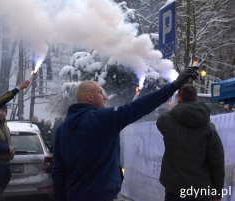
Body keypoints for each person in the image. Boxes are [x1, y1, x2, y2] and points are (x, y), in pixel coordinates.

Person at [52, 67, 199, 201]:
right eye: (101, 93)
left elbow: (58, 169)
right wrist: (175, 85)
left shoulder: (62, 129)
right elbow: (138, 107)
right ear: (89, 97)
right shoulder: (101, 119)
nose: (105, 97)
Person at [156, 84, 225, 201]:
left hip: (174, 189)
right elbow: (217, 162)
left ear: (179, 98)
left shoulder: (168, 121)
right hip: (200, 191)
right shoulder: (209, 129)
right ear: (196, 98)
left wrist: (173, 110)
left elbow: (160, 119)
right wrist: (218, 191)